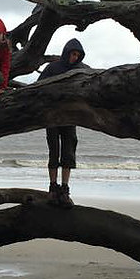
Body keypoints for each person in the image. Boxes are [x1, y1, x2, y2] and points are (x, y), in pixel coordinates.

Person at [37, 38, 88, 208]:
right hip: (52, 115)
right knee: (54, 151)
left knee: (68, 152)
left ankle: (65, 189)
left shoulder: (80, 70)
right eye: (73, 54)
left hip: (70, 117)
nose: (74, 57)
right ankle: (53, 188)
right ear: (67, 52)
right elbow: (38, 87)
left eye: (77, 55)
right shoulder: (53, 67)